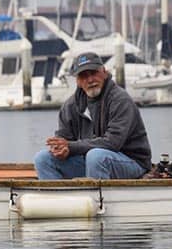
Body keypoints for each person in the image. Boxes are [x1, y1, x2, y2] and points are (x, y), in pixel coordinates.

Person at [34, 52, 151, 180]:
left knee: (96, 157)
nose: (90, 80)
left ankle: (97, 199)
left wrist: (71, 147)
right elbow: (64, 138)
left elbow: (112, 143)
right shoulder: (70, 106)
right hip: (91, 160)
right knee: (42, 159)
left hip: (132, 162)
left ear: (104, 72)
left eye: (93, 73)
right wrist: (60, 149)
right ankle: (59, 199)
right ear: (77, 81)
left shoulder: (120, 99)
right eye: (83, 76)